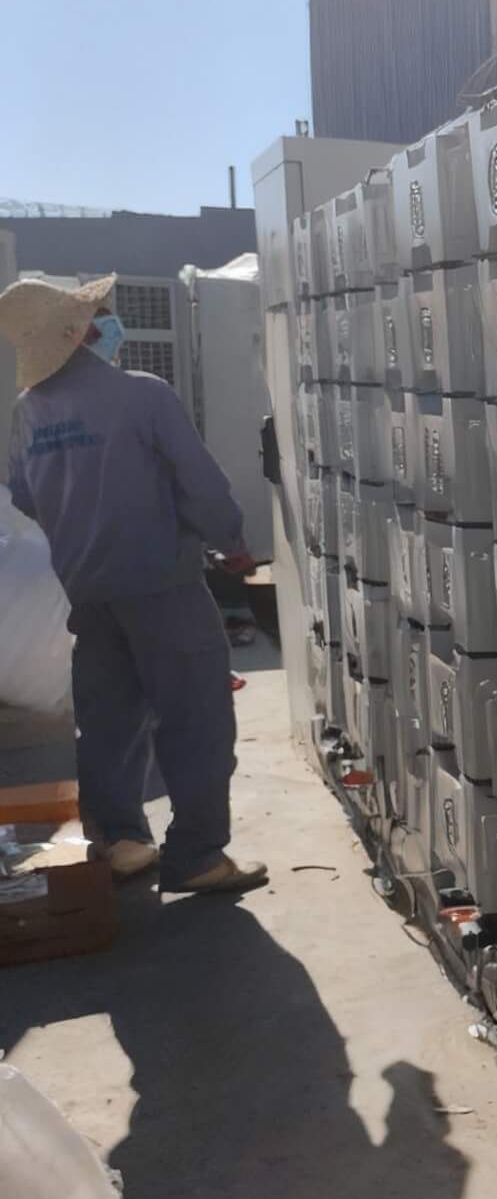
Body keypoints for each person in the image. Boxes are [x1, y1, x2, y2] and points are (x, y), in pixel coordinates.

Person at [1, 275, 267, 895]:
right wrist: (231, 543)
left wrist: (82, 530)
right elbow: (199, 483)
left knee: (108, 721)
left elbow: (26, 497)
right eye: (101, 315)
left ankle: (121, 841)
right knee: (196, 718)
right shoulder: (141, 394)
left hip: (87, 591)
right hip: (161, 586)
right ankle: (197, 854)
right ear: (83, 332)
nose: (109, 322)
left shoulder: (29, 410)